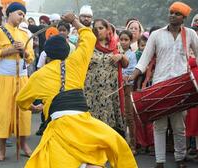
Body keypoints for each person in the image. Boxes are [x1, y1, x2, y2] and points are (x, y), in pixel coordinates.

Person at [16, 12, 137, 168]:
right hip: (84, 122)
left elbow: (21, 102)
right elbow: (89, 37)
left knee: (60, 161)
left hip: (59, 127)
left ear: (47, 54)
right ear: (68, 51)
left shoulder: (39, 76)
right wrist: (74, 20)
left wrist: (35, 107)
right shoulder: (76, 61)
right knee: (95, 157)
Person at [127, 1, 198, 168]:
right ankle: (160, 161)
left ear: (184, 18)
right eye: (171, 12)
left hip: (181, 85)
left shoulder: (191, 34)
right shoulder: (156, 35)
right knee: (159, 124)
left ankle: (180, 159)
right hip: (160, 84)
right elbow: (145, 58)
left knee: (179, 125)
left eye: (177, 14)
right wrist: (133, 76)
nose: (172, 15)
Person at [0, 2, 34, 161]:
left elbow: (31, 58)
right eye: (19, 13)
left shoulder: (25, 34)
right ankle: (1, 148)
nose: (22, 17)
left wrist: (24, 52)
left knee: (24, 112)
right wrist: (10, 50)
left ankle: (24, 144)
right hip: (4, 78)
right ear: (10, 13)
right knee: (3, 113)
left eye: (23, 15)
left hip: (22, 78)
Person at [85, 18, 129, 137]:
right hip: (92, 92)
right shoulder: (89, 45)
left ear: (107, 30)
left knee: (109, 123)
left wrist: (120, 56)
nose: (98, 31)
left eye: (101, 28)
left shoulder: (115, 46)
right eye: (96, 28)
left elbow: (126, 64)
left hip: (110, 92)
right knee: (93, 122)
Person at [119, 29, 137, 154]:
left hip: (127, 87)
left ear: (130, 41)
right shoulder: (116, 52)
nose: (124, 42)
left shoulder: (131, 54)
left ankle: (133, 145)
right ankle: (121, 144)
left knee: (129, 115)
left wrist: (123, 76)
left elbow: (131, 71)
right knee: (120, 115)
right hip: (117, 86)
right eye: (121, 39)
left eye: (126, 40)